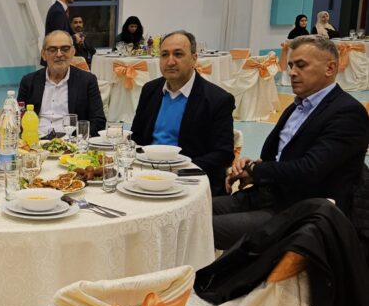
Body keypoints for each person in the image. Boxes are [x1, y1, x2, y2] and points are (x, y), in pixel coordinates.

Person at [212, 35, 369, 250]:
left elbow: (310, 170)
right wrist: (252, 166)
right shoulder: (297, 106)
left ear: (330, 68)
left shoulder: (348, 113)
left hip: (301, 211)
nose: (292, 72)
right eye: (291, 65)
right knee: (189, 212)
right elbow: (279, 158)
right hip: (267, 196)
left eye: (301, 65)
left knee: (198, 227)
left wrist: (256, 170)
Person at [130, 30, 235, 196]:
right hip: (147, 175)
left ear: (194, 58)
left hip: (189, 180)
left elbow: (223, 154)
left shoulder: (218, 99)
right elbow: (136, 138)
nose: (170, 61)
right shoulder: (150, 90)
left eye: (178, 54)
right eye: (165, 55)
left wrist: (178, 169)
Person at [18, 30, 106, 137]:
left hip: (71, 142)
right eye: (52, 50)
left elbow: (98, 121)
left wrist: (78, 140)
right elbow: (18, 118)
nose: (59, 54)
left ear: (73, 52)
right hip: (35, 141)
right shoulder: (29, 81)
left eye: (65, 49)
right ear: (43, 54)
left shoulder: (87, 81)